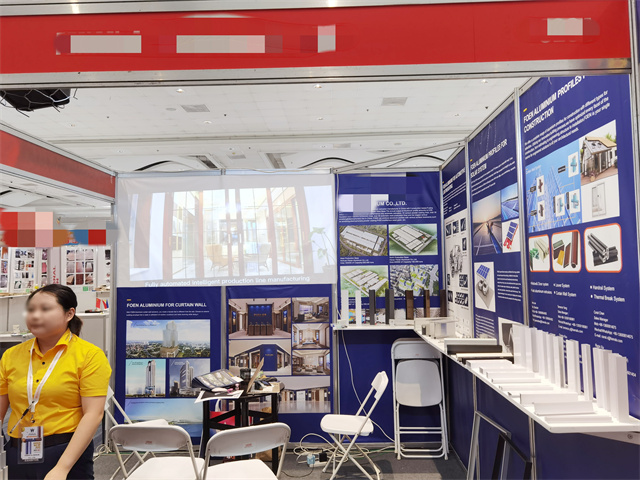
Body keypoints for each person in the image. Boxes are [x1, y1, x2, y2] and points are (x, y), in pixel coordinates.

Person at [0, 284, 112, 480]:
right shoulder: (12, 355)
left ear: (69, 314)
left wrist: (62, 468)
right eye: (31, 310)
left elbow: (93, 415)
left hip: (66, 450)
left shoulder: (89, 355)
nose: (35, 316)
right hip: (18, 449)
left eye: (45, 309)